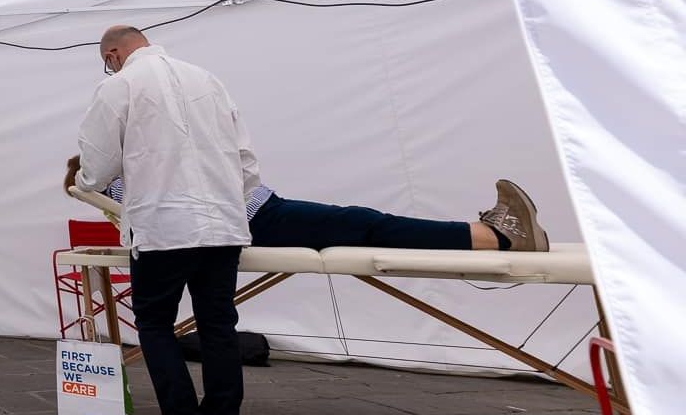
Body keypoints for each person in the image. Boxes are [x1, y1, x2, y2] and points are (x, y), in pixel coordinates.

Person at [70, 25, 253, 415]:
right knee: (218, 327)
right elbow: (247, 163)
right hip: (222, 225)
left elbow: (95, 164)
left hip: (164, 227)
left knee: (155, 326)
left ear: (113, 53)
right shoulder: (207, 79)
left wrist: (85, 182)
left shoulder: (120, 85)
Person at [85, 175, 550, 253]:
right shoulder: (121, 179)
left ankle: (492, 234)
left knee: (364, 223)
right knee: (366, 225)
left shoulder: (129, 172)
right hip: (254, 219)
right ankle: (498, 237)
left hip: (256, 213)